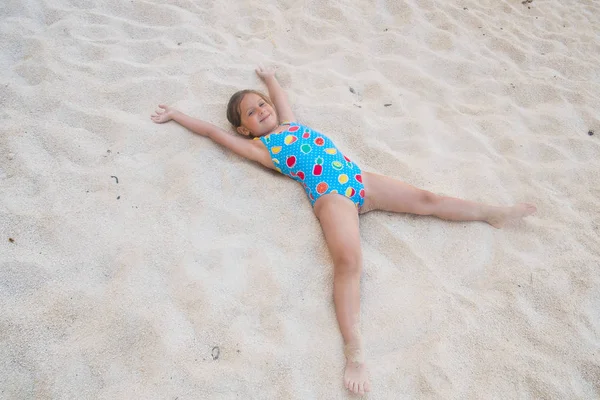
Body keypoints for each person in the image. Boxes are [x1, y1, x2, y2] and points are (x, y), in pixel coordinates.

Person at [151, 65, 537, 395]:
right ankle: (354, 352)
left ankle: (493, 212)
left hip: (358, 180)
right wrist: (178, 114)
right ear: (245, 130)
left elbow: (279, 97)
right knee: (349, 261)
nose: (263, 111)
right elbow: (214, 133)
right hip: (331, 196)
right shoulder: (262, 149)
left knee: (427, 199)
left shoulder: (291, 123)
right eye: (252, 114)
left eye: (262, 104)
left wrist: (270, 78)